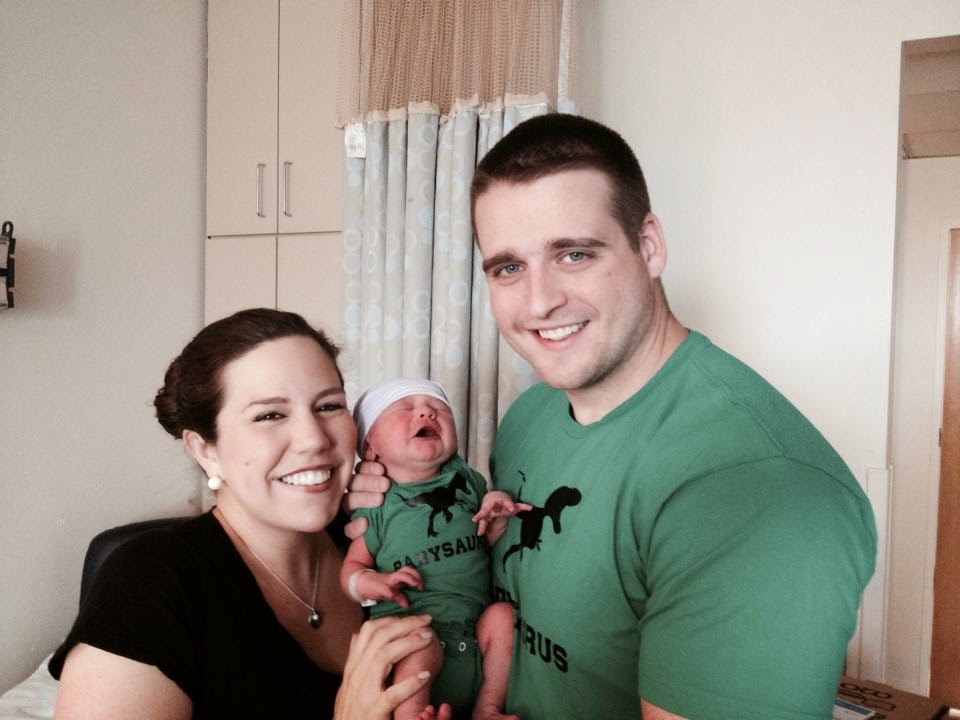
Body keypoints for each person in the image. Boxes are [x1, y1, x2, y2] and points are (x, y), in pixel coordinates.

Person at [347, 114, 878, 720]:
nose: (540, 302)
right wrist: (381, 502)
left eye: (573, 254)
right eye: (509, 268)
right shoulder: (530, 416)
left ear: (648, 245)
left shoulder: (760, 487)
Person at [49, 308, 451, 720]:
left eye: (329, 406)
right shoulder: (150, 583)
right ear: (206, 450)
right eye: (269, 415)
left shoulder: (376, 536)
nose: (314, 439)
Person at [341, 378, 525, 720]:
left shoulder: (467, 481)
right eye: (404, 408)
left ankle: (487, 706)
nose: (427, 412)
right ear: (370, 447)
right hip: (415, 637)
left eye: (439, 408)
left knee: (503, 617)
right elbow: (351, 570)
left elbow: (480, 543)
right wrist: (374, 583)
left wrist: (496, 509)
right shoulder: (377, 506)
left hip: (475, 634)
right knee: (420, 641)